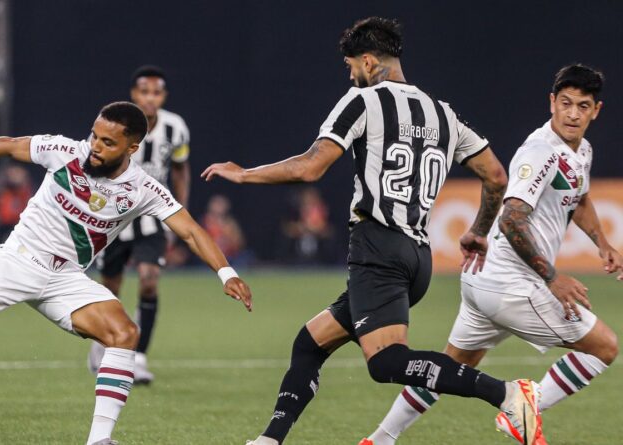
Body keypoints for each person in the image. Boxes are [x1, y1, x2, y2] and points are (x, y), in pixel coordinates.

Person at [204, 17, 543, 445]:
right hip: (417, 256)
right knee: (310, 343)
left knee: (385, 362)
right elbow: (495, 176)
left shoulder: (362, 101)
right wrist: (478, 229)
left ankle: (509, 393)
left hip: (377, 246)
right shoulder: (443, 114)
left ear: (368, 61)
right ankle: (270, 439)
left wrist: (245, 174)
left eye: (351, 66)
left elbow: (312, 165)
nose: (350, 76)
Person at [0, 101, 251, 445]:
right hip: (17, 259)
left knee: (124, 333)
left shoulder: (144, 189)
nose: (95, 147)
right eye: (94, 135)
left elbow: (189, 230)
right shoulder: (66, 151)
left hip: (65, 277)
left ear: (131, 148)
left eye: (107, 143)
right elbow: (10, 143)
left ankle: (99, 440)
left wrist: (226, 273)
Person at [360, 64, 620, 445]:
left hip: (484, 280)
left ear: (596, 110)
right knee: (605, 346)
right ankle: (523, 408)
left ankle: (379, 439)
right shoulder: (541, 152)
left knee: (450, 367)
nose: (573, 113)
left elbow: (577, 199)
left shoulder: (582, 151)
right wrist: (554, 278)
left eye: (583, 106)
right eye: (565, 103)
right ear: (552, 103)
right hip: (511, 284)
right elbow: (513, 220)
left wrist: (603, 243)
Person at [90, 66, 192, 384]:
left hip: (151, 218)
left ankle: (139, 357)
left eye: (156, 92)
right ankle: (102, 345)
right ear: (134, 94)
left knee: (149, 280)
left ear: (163, 96)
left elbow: (180, 169)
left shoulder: (176, 129)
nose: (150, 98)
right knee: (110, 287)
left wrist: (179, 211)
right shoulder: (115, 123)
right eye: (144, 92)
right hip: (114, 217)